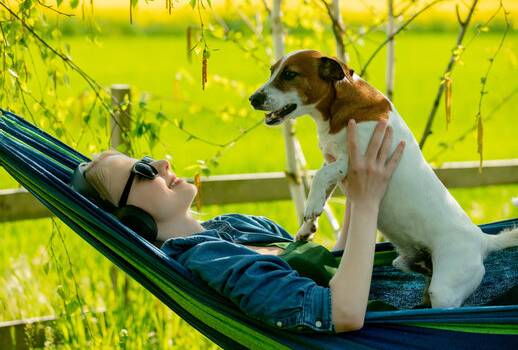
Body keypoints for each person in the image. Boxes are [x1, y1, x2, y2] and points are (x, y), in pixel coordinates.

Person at [82, 119, 405, 333]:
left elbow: (334, 272)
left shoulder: (235, 225)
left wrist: (352, 193)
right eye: (143, 170)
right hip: (413, 323)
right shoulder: (209, 262)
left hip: (414, 294)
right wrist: (365, 204)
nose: (162, 162)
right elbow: (342, 313)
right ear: (130, 217)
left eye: (147, 157)